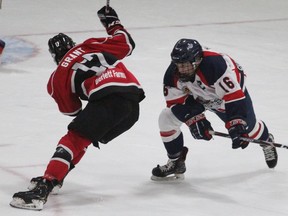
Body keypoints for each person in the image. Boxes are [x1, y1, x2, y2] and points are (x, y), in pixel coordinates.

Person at [10, 6, 145, 210]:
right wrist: (111, 22)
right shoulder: (90, 45)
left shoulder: (58, 76)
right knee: (84, 137)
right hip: (133, 102)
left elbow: (71, 111)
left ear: (54, 56)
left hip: (107, 99)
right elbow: (127, 44)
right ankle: (58, 176)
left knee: (74, 139)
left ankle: (44, 187)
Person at [151, 38, 277, 181]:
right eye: (179, 65)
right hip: (199, 96)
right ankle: (176, 162)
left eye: (185, 65)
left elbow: (233, 95)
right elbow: (175, 102)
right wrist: (194, 119)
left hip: (226, 96)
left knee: (249, 129)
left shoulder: (215, 65)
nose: (182, 70)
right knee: (166, 118)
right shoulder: (172, 74)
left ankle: (267, 140)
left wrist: (236, 124)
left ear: (197, 60)